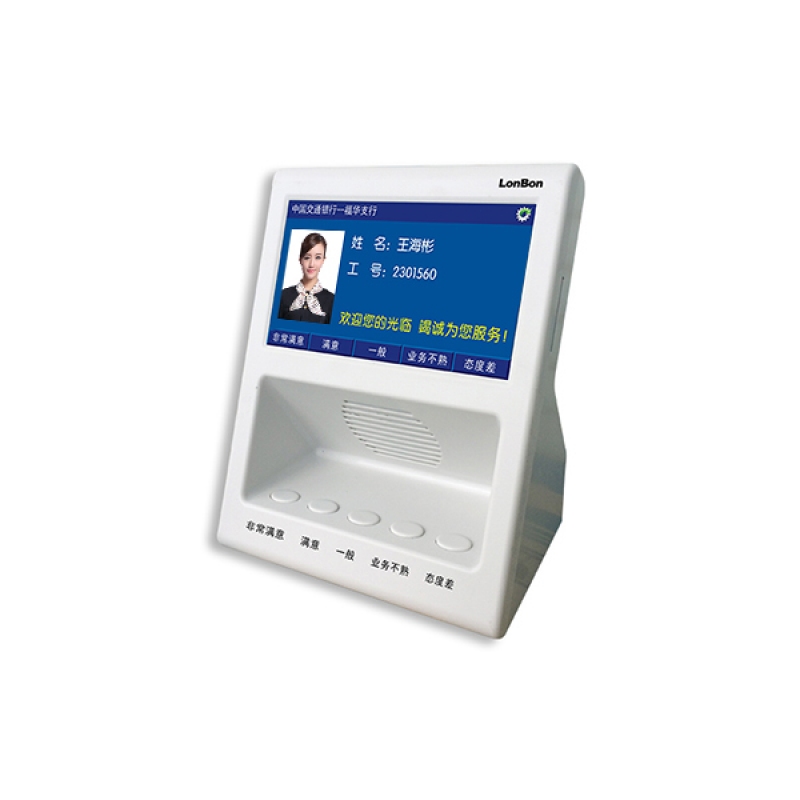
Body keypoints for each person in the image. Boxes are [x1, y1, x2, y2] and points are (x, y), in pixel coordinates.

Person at [278, 233, 335, 323]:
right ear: (300, 259)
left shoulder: (332, 301)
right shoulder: (283, 296)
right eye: (307, 257)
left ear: (323, 260)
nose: (311, 264)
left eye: (318, 257)